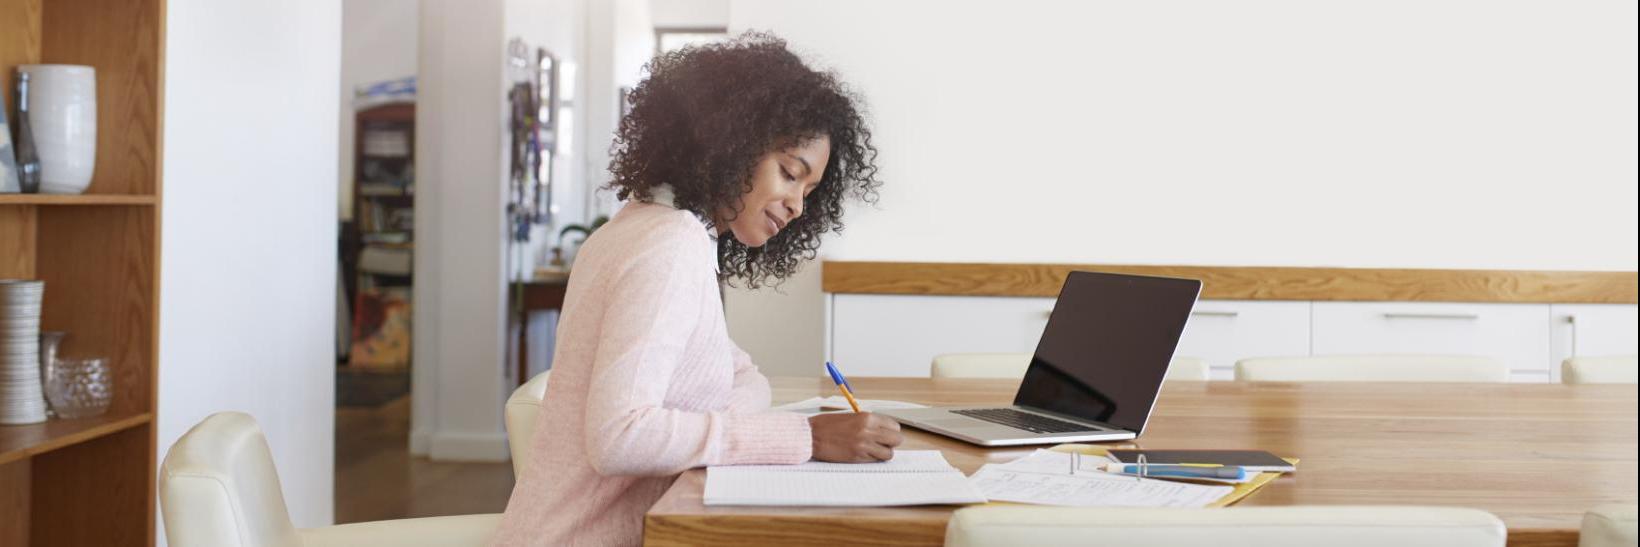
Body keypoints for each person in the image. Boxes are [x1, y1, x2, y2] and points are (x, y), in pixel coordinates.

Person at [493, 32, 896, 546]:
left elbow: (744, 376)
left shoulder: (647, 229)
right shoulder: (670, 244)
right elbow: (619, 437)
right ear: (733, 144)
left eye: (809, 191)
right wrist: (806, 437)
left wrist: (713, 424)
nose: (797, 205)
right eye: (790, 174)